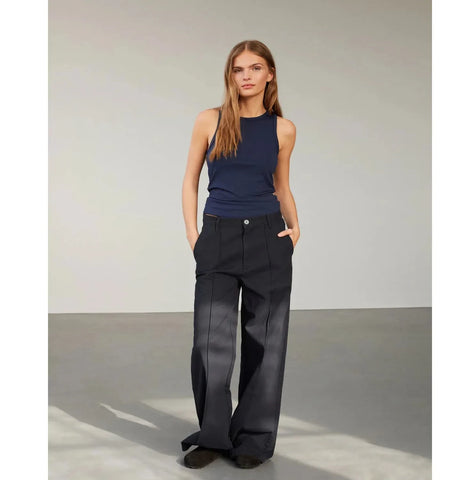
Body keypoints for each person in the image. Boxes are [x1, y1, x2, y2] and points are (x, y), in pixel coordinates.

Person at [181, 39, 299, 469]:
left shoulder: (283, 129)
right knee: (209, 343)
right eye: (238, 69)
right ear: (230, 76)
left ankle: (253, 438)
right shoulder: (209, 120)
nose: (246, 76)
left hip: (268, 235)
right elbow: (190, 180)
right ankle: (214, 435)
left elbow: (281, 185)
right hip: (218, 236)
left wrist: (295, 227)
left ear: (270, 74)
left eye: (255, 68)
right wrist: (195, 236)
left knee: (266, 343)